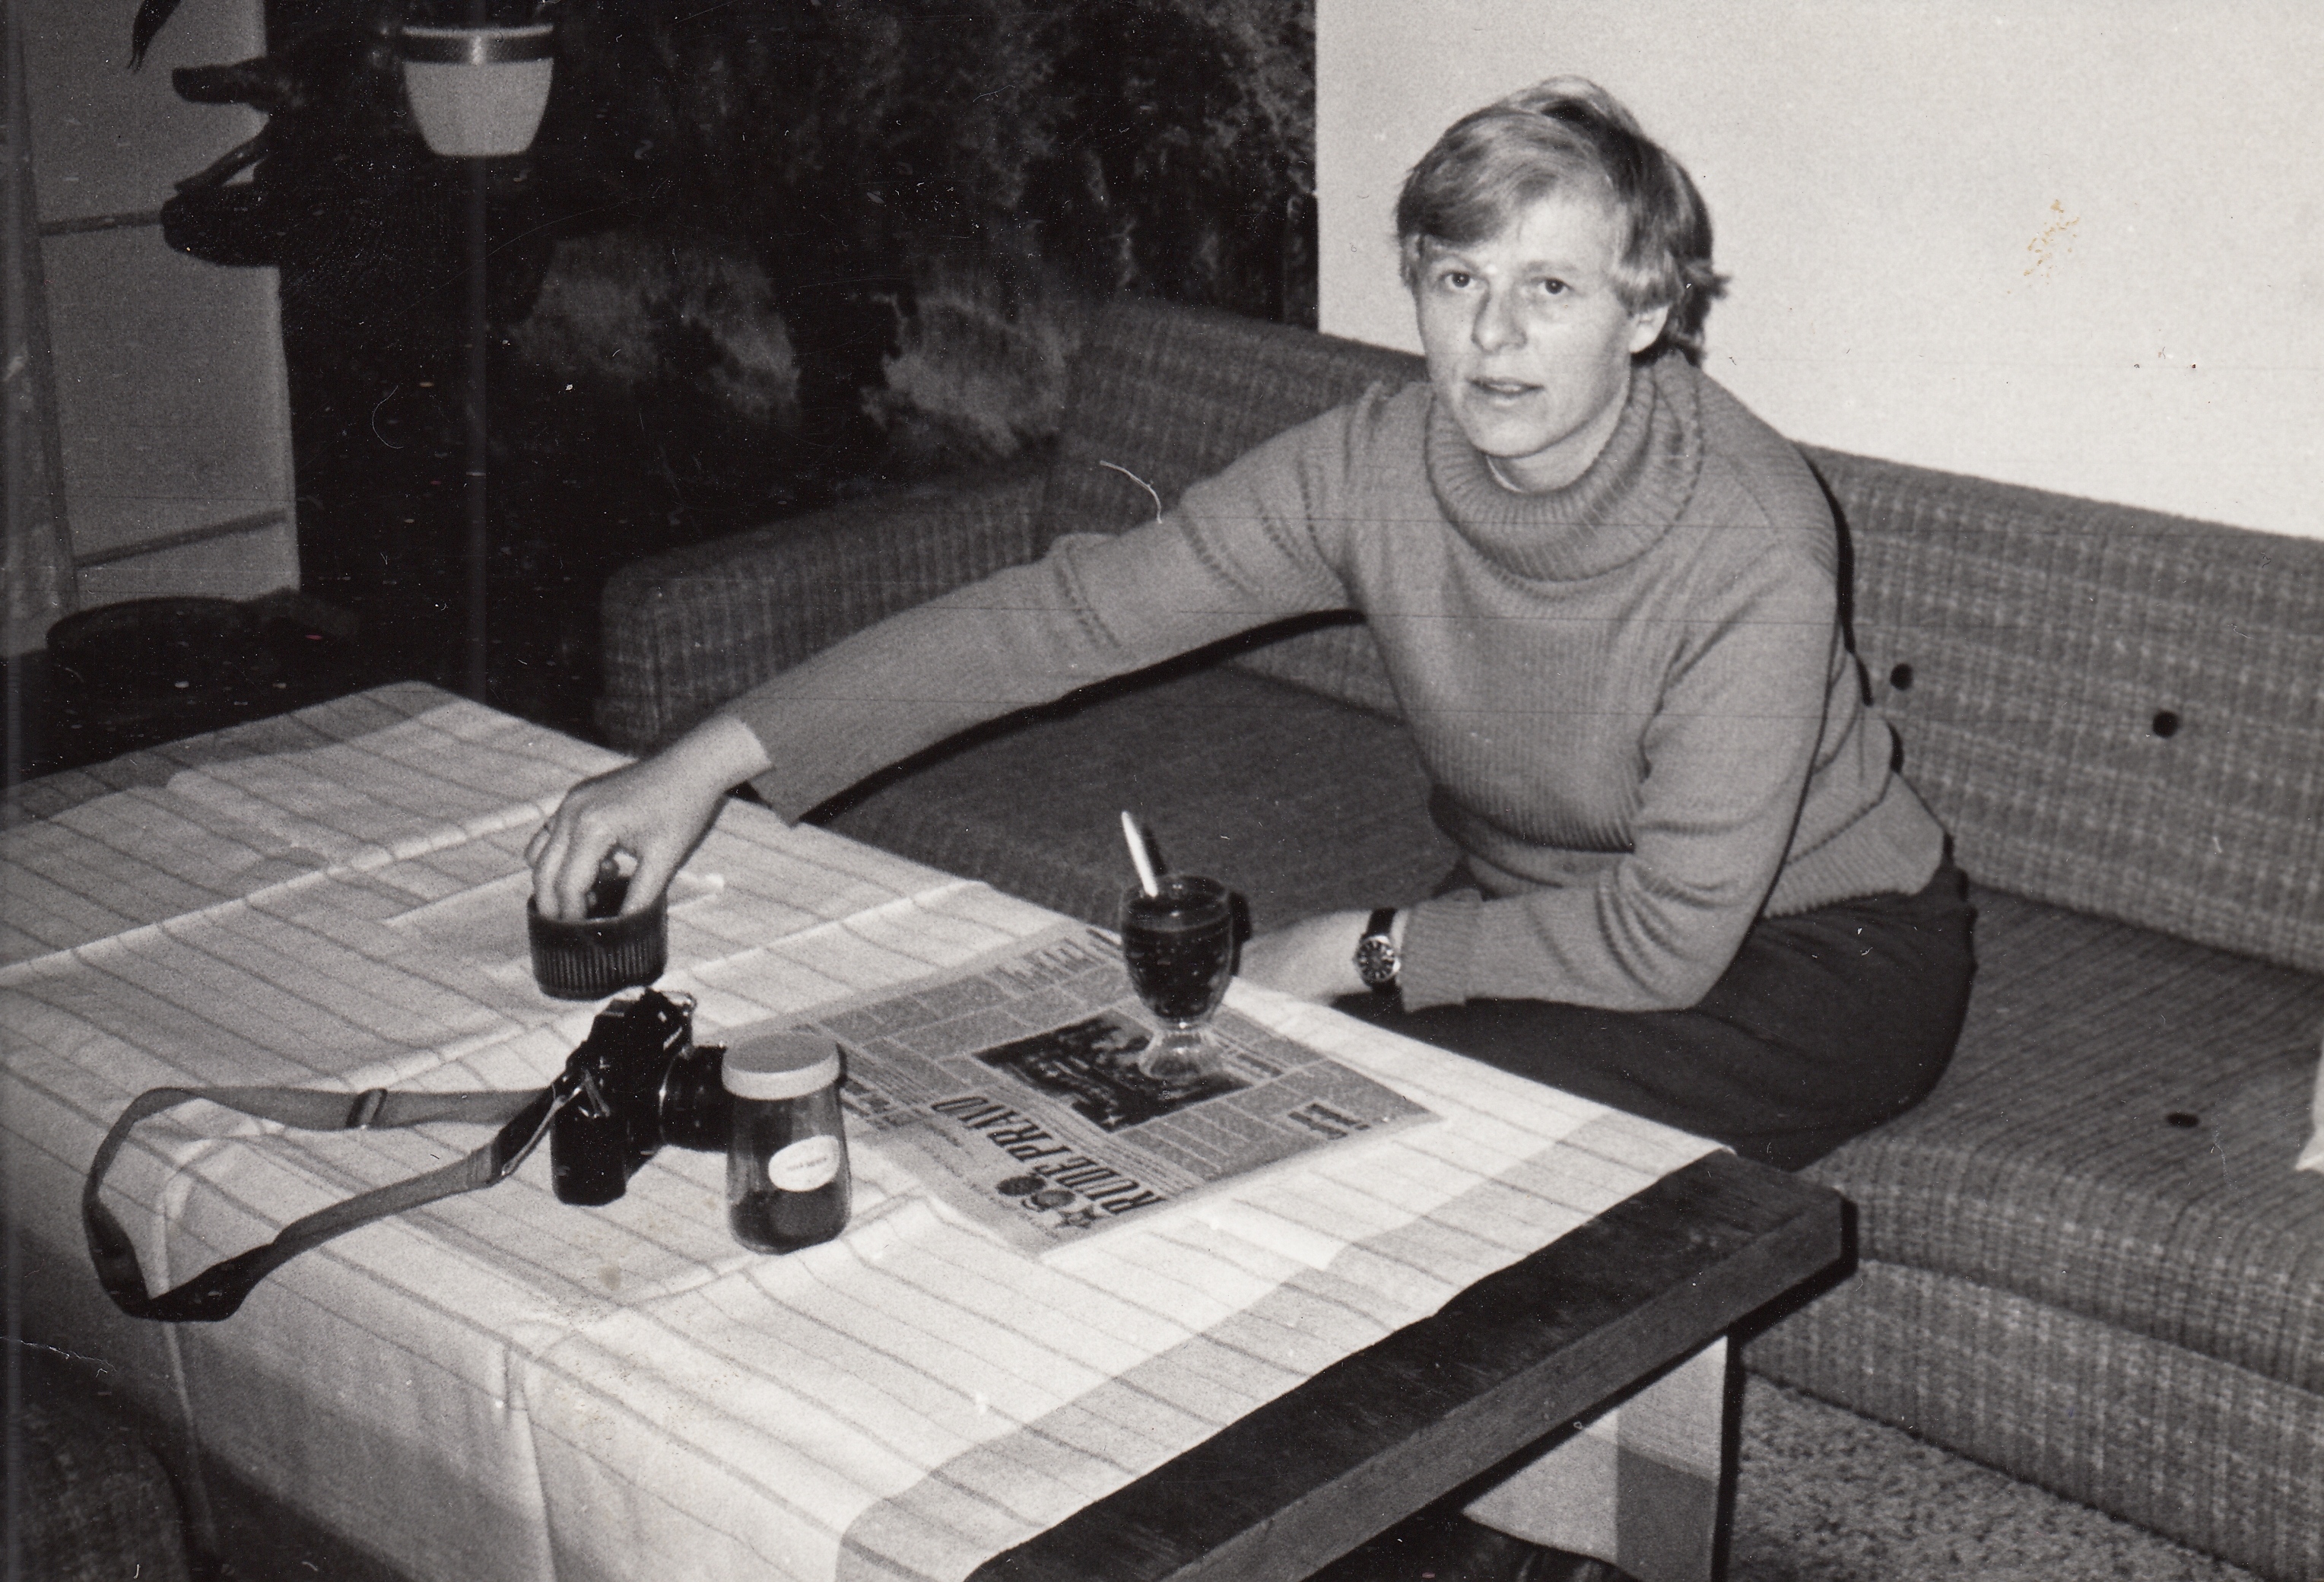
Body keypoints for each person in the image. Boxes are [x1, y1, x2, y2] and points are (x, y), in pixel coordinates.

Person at [532, 73, 1973, 1582]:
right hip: (1535, 908)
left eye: (1550, 287)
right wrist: (701, 762)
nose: (1491, 335)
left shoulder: (1746, 538)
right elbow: (1070, 613)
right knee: (1218, 1092)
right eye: (1457, 279)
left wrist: (1361, 946)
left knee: (1390, 1139)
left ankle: (1492, 1539)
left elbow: (1670, 938)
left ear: (1648, 309)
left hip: (1816, 956)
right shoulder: (1375, 465)